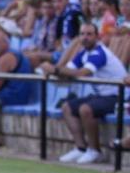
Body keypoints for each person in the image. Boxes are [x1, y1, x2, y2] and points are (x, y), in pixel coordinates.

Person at [39, 22, 129, 164]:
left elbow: (82, 73)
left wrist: (54, 70)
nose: (85, 38)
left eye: (89, 34)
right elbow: (67, 70)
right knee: (67, 107)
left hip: (117, 95)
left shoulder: (100, 53)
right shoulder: (83, 54)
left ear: (97, 36)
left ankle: (95, 151)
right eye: (82, 34)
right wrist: (52, 70)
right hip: (101, 95)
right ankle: (81, 147)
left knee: (85, 109)